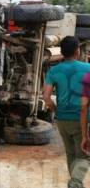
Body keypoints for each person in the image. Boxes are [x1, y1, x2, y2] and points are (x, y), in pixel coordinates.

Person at [43, 36, 90, 188]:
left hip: (62, 119)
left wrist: (56, 110)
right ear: (77, 50)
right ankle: (75, 183)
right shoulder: (88, 69)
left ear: (62, 52)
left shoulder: (54, 70)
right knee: (84, 155)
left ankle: (75, 184)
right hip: (83, 119)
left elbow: (46, 97)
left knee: (71, 153)